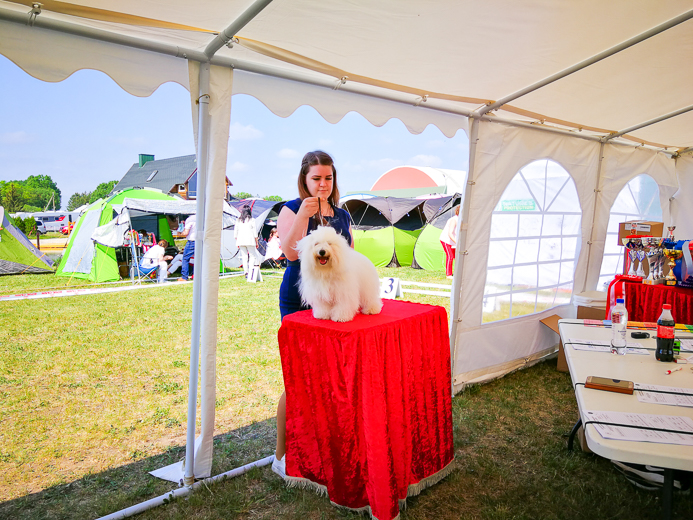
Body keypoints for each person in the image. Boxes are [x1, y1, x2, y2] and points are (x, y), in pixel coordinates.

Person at [272, 150, 353, 479]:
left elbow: (349, 259)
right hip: (300, 303)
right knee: (298, 380)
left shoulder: (343, 215)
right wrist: (304, 215)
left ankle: (320, 448)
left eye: (328, 178)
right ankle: (281, 454)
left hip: (335, 304)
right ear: (304, 180)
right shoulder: (291, 209)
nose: (323, 184)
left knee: (332, 378)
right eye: (316, 178)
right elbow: (289, 252)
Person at [234, 204, 261, 278]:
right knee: (252, 256)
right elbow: (255, 232)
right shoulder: (252, 220)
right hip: (250, 240)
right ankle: (251, 271)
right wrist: (256, 241)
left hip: (241, 240)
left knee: (244, 256)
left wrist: (237, 240)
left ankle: (246, 272)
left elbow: (235, 232)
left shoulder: (238, 220)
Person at [440, 205, 460, 279]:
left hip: (453, 241)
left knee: (456, 257)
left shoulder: (460, 219)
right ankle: (448, 274)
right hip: (446, 240)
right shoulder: (454, 220)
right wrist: (456, 242)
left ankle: (458, 273)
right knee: (450, 256)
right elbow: (450, 233)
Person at [178, 214, 196, 281]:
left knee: (185, 259)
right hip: (201, 240)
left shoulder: (190, 220)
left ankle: (184, 277)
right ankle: (196, 275)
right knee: (199, 259)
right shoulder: (202, 217)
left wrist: (179, 232)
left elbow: (185, 233)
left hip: (192, 241)